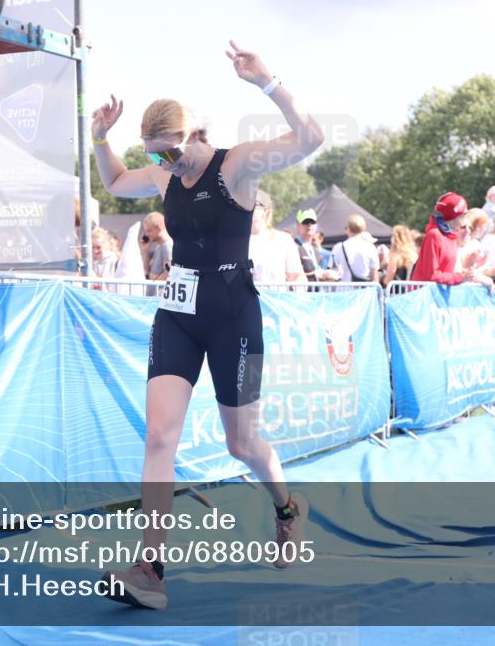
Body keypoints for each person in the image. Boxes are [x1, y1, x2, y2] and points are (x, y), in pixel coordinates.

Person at [89, 40, 323, 609]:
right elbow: (116, 182)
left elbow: (311, 139)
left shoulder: (236, 164)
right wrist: (99, 137)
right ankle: (150, 567)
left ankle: (288, 508)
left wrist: (267, 81)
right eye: (156, 156)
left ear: (195, 135)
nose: (163, 165)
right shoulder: (166, 179)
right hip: (179, 314)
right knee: (159, 435)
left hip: (233, 316)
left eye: (169, 153)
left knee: (241, 443)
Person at [412, 192, 492, 285]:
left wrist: (466, 272)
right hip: (424, 295)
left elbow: (449, 272)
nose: (465, 219)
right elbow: (431, 276)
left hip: (440, 294)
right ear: (453, 216)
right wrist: (460, 277)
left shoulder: (452, 236)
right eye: (462, 215)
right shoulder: (434, 235)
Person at [248, 190, 305, 284]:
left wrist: (295, 291)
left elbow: (297, 277)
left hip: (274, 297)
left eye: (252, 204)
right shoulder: (234, 242)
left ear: (265, 211)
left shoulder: (283, 240)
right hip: (243, 298)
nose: (246, 209)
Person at [293, 209, 338, 282]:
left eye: (312, 222)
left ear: (316, 225)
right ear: (298, 225)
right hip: (300, 292)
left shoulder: (316, 250)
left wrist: (331, 274)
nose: (309, 225)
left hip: (316, 292)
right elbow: (290, 274)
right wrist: (313, 274)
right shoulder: (293, 247)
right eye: (306, 222)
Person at [332, 214, 379, 282]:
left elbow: (333, 273)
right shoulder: (370, 248)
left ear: (348, 229)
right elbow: (374, 277)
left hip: (343, 290)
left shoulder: (338, 247)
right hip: (365, 290)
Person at [141, 212, 173, 281]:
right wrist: (145, 251)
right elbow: (147, 270)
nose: (147, 234)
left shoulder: (167, 246)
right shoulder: (159, 246)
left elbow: (168, 276)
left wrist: (148, 276)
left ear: (159, 227)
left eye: (149, 231)